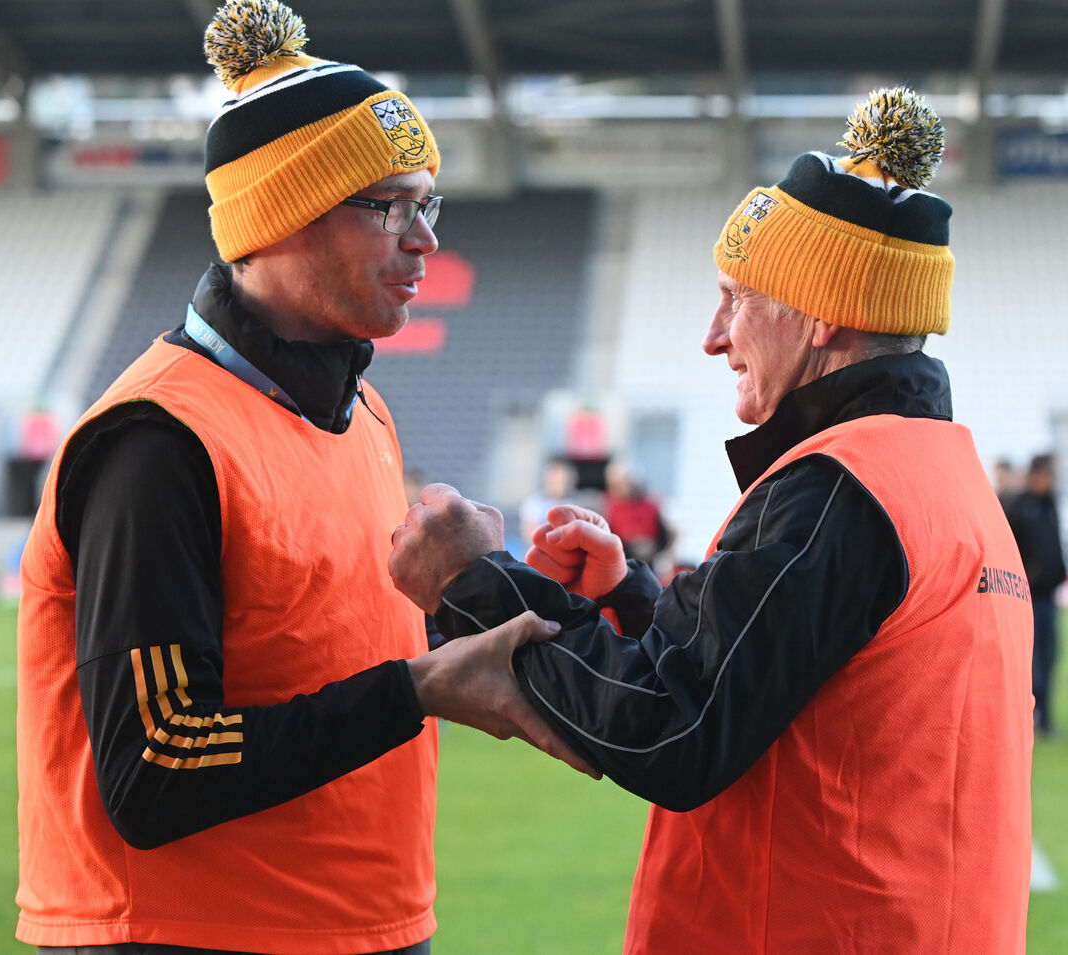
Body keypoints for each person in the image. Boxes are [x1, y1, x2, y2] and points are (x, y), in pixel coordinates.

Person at [390, 87, 1033, 953]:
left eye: (737, 297)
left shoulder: (838, 485)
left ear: (821, 313)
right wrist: (633, 601)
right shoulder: (937, 473)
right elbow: (781, 679)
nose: (714, 334)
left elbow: (677, 724)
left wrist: (479, 578)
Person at [15, 3, 587, 953]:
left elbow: (324, 645)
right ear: (282, 215)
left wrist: (497, 597)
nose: (425, 240)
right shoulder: (160, 438)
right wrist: (418, 689)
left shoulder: (364, 411)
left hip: (356, 928)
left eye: (426, 205)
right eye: (389, 206)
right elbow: (156, 768)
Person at [1005, 453, 1068, 736]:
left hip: (1049, 596)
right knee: (1032, 662)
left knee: (1050, 656)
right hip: (1027, 597)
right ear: (1036, 474)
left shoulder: (1049, 505)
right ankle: (1029, 717)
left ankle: (1046, 717)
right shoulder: (1020, 507)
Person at [601, 458, 671, 571]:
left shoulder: (650, 504)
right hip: (619, 566)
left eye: (627, 480)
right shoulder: (605, 506)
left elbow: (663, 537)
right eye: (620, 482)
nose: (625, 485)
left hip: (648, 564)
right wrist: (631, 547)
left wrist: (653, 548)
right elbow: (604, 540)